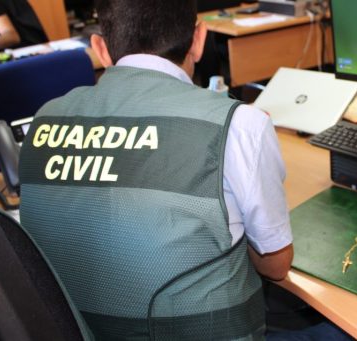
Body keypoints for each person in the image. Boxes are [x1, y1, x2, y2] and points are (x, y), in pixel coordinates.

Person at [18, 0, 293, 339]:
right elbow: (276, 266)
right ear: (199, 38)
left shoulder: (45, 118)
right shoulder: (240, 124)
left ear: (100, 48)